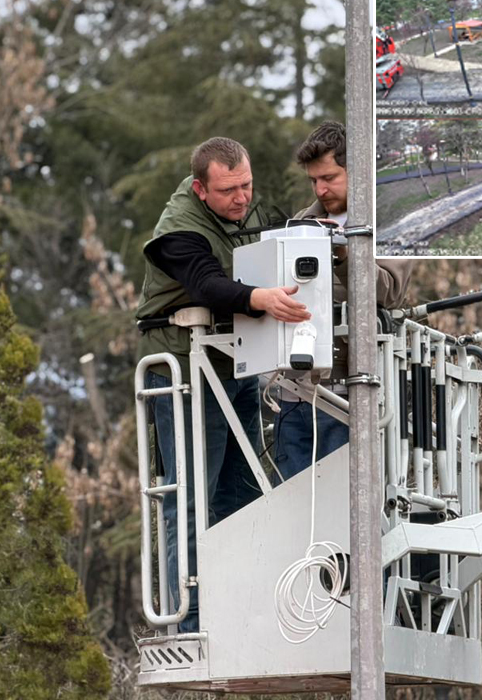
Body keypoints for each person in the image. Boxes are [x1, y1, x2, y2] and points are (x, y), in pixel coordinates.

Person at [135, 137, 312, 631]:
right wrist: (262, 299)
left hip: (233, 364)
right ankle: (191, 619)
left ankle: (243, 614)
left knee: (245, 491)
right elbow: (207, 282)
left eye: (247, 186)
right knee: (191, 497)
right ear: (200, 189)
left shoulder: (236, 217)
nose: (241, 198)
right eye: (229, 190)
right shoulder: (179, 230)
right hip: (187, 373)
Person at [274, 121, 412, 483]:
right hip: (297, 390)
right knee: (295, 513)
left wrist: (344, 252)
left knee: (348, 516)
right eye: (313, 180)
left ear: (359, 170)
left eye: (330, 178)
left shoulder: (390, 221)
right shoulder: (301, 222)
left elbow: (391, 292)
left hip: (355, 392)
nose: (321, 189)